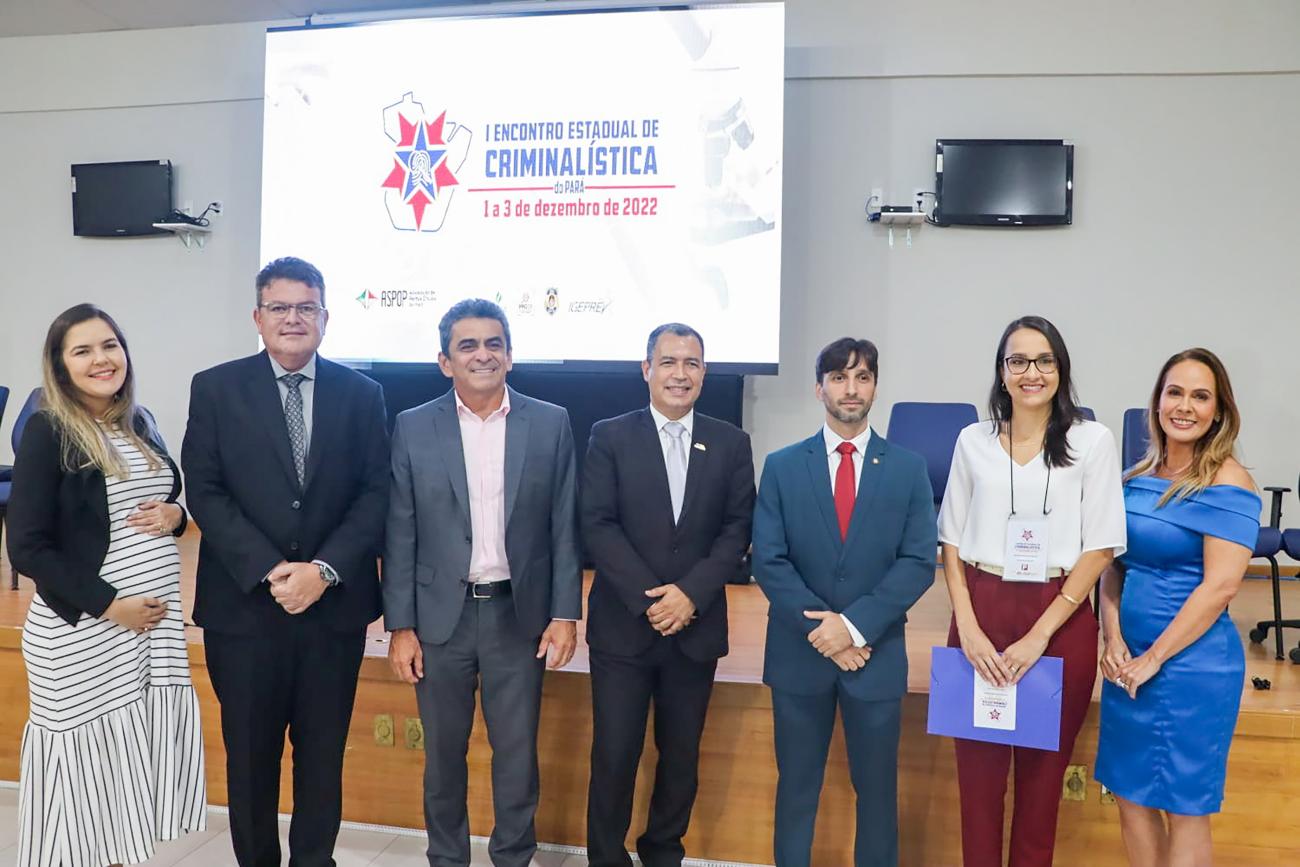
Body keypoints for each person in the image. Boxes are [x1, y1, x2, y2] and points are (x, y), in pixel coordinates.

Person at [181, 257, 390, 867]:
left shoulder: (362, 394)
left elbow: (376, 493)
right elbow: (206, 491)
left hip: (333, 611)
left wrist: (322, 571)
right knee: (250, 758)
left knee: (322, 758)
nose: (293, 318)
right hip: (245, 610)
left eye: (306, 307)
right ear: (258, 317)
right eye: (279, 307)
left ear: (325, 317)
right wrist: (273, 570)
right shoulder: (216, 388)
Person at [384, 298, 581, 867]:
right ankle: (447, 859)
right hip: (438, 620)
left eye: (494, 343)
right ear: (445, 361)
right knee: (443, 759)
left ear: (510, 356)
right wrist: (401, 626)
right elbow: (400, 530)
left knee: (516, 756)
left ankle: (513, 857)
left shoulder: (550, 423)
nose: (482, 354)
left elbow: (564, 525)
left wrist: (565, 613)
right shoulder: (414, 426)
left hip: (517, 616)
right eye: (467, 345)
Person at [6, 304, 205, 866]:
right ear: (60, 365)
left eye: (110, 345)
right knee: (81, 786)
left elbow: (162, 497)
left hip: (147, 637)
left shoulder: (137, 421)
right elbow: (27, 545)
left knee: (120, 780)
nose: (101, 359)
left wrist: (177, 516)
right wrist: (110, 604)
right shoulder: (48, 429)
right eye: (83, 350)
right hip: (83, 634)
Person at [938, 315, 1126, 867]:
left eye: (1044, 360)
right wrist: (968, 628)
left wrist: (1040, 635)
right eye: (1017, 361)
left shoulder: (1092, 441)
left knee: (1042, 792)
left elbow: (1101, 546)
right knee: (977, 789)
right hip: (980, 610)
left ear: (1060, 369)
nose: (1031, 372)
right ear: (1002, 372)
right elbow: (950, 542)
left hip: (1059, 615)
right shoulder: (972, 440)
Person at [752, 337, 936, 867]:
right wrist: (827, 634)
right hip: (799, 656)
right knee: (796, 789)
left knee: (877, 794)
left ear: (875, 387)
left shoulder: (908, 468)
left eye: (862, 377)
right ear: (820, 389)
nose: (850, 389)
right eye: (838, 377)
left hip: (874, 655)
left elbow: (918, 561)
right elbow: (769, 560)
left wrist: (852, 628)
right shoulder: (783, 466)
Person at [582, 323, 755, 867]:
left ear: (704, 372)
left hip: (694, 629)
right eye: (669, 362)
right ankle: (606, 856)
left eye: (692, 363)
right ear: (647, 369)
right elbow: (598, 524)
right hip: (623, 627)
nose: (680, 374)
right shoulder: (610, 436)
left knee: (680, 757)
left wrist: (690, 595)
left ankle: (662, 852)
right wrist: (652, 599)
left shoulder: (731, 443)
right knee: (615, 754)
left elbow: (736, 531)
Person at [1095, 348, 1258, 866]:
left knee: (1184, 808)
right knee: (1129, 794)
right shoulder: (1135, 476)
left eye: (1200, 396)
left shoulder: (1229, 482)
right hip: (1128, 665)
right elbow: (1112, 566)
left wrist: (1154, 658)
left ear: (1219, 410)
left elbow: (1221, 586)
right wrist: (1112, 637)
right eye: (1175, 392)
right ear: (1158, 401)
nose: (1184, 406)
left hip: (1190, 668)